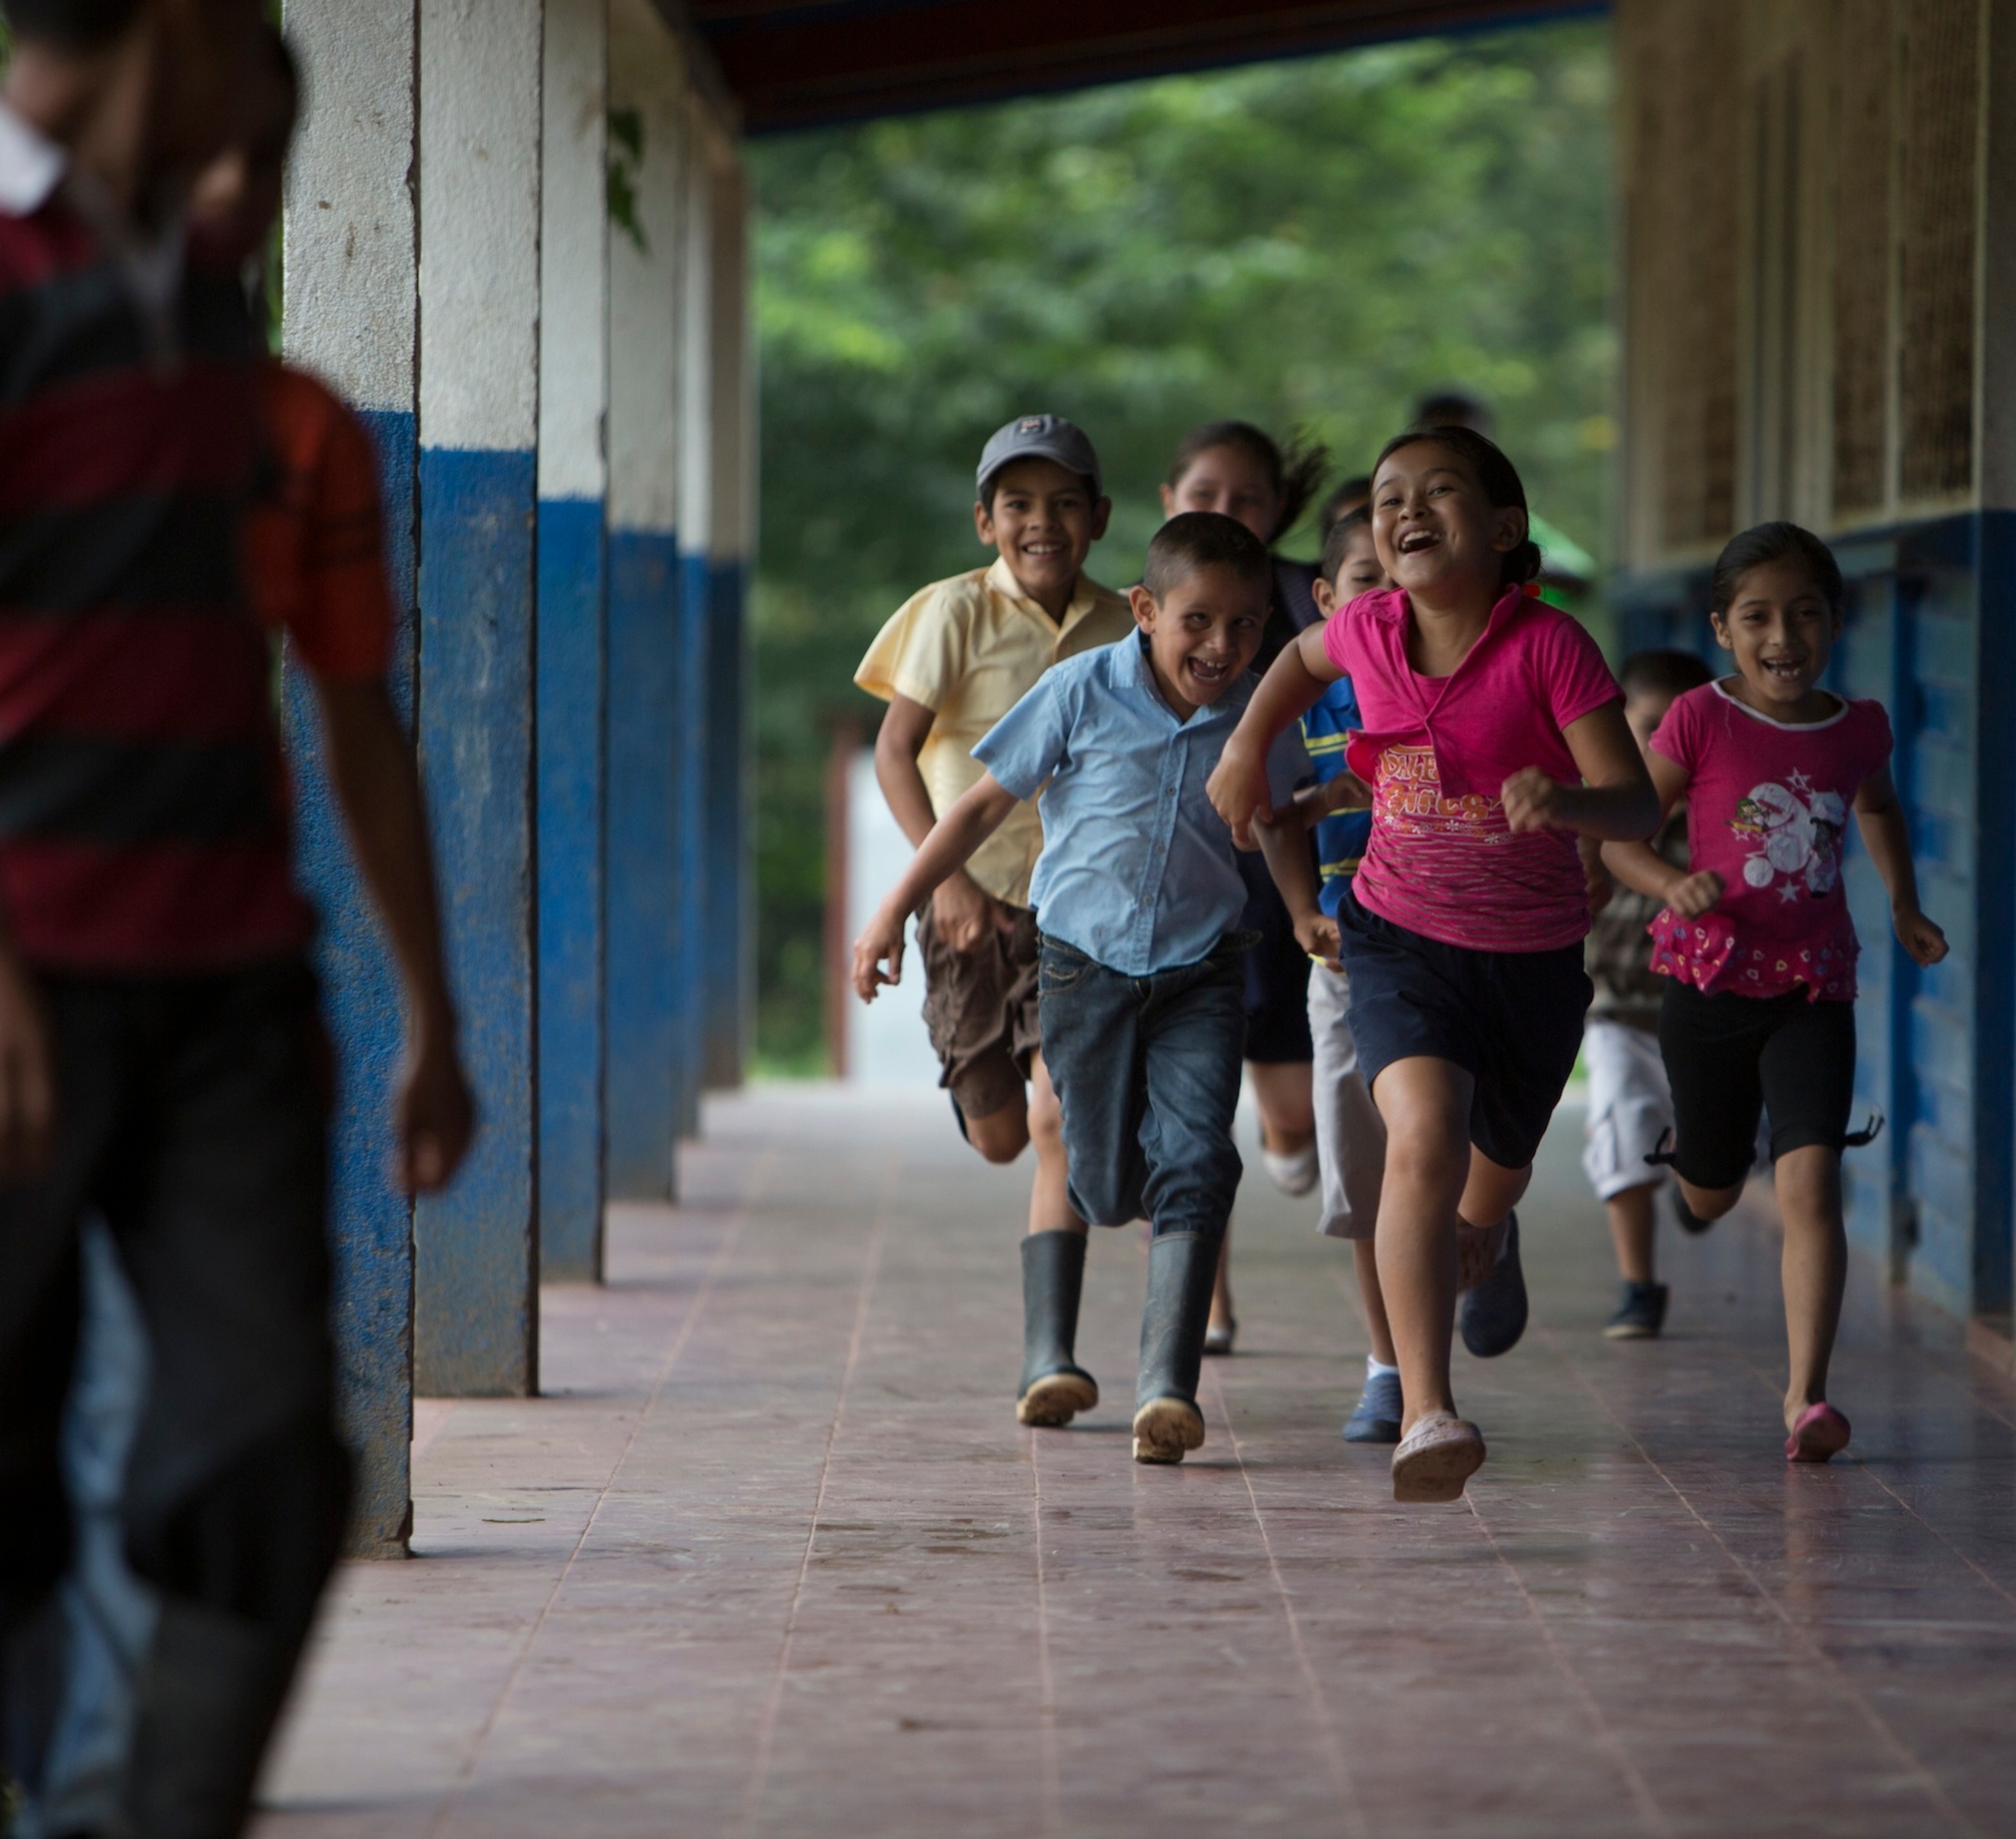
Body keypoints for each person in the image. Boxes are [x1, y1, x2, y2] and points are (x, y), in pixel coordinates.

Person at [0, 6, 476, 1832]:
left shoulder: (219, 341)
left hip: (223, 990)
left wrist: (429, 1007)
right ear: (177, 42)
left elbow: (353, 717)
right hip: (28, 977)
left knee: (267, 1455)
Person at [1208, 426, 1658, 1502]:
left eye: (1439, 491)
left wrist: (1570, 804)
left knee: (1487, 1176)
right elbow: (1292, 660)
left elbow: (1637, 800)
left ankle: (1484, 1231)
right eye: (1392, 494)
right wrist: (1240, 748)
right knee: (1419, 1139)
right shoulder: (1364, 627)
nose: (1407, 508)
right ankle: (1425, 1406)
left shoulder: (1550, 648)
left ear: (1504, 531)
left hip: (1532, 956)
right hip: (1396, 937)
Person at [854, 512, 1310, 1464]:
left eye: (1245, 625)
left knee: (1197, 1157)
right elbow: (982, 801)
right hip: (1082, 969)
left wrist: (1306, 911)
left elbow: (1276, 822)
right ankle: (1098, 1284)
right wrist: (896, 903)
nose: (1222, 645)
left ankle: (1167, 1390)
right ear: (1144, 610)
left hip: (1202, 969)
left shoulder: (1260, 713)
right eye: (1197, 620)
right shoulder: (1081, 689)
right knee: (1102, 1182)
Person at [1602, 522, 1946, 1462]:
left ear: (1835, 622)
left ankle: (1807, 1397)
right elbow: (1625, 832)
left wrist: (1907, 905)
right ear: (1723, 628)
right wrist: (1671, 884)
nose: (1783, 634)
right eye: (1757, 616)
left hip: (1814, 985)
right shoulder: (1698, 721)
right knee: (1713, 1196)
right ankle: (1698, 1175)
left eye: (1805, 613)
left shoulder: (1859, 726)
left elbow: (1875, 804)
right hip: (1708, 985)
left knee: (1812, 1179)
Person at [854, 415, 1133, 1428]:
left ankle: (1049, 1355)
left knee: (1056, 1121)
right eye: (1018, 503)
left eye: (1065, 502)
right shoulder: (949, 614)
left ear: (1100, 517)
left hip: (1081, 913)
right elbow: (897, 750)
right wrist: (943, 883)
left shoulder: (1127, 623)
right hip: (969, 906)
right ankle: (1002, 1102)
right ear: (986, 521)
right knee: (1001, 1138)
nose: (1042, 522)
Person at [1160, 419, 1329, 1352]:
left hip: (1281, 871)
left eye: (1247, 498)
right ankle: (1205, 1302)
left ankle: (1288, 1135)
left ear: (1278, 512)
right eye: (1205, 494)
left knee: (1287, 1109)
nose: (1226, 512)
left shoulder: (1315, 599)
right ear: (1167, 504)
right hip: (1175, 881)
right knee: (1186, 1107)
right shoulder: (1145, 612)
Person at [1261, 506, 1404, 1443]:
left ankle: (1487, 1218)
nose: (1392, 601)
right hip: (1349, 959)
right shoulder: (1304, 701)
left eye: (1405, 579)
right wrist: (1304, 913)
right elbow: (1272, 819)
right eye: (1368, 582)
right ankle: (1386, 1365)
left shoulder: (1458, 688)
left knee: (1453, 1154)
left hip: (1452, 955)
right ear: (1325, 601)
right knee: (1364, 1174)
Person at [1581, 649, 1715, 1341]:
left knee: (1716, 1153)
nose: (1666, 746)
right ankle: (1639, 1284)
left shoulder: (1720, 819)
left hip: (1708, 1012)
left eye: (1681, 732)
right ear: (1620, 727)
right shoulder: (1597, 813)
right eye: (1650, 727)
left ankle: (1701, 1179)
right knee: (1623, 1126)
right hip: (1618, 1011)